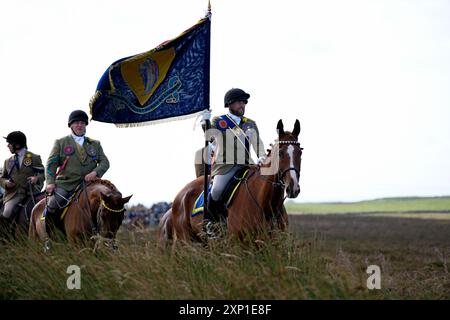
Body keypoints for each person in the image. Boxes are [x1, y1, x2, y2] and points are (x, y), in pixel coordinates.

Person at [204, 88, 266, 238]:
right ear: (230, 104)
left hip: (246, 165)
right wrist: (205, 121)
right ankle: (211, 223)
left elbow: (257, 143)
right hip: (225, 165)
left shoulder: (250, 123)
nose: (242, 105)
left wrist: (262, 156)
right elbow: (211, 137)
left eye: (244, 102)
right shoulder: (219, 121)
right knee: (217, 190)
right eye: (239, 102)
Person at [43, 110, 110, 219]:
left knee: (108, 201)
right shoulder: (60, 142)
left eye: (82, 123)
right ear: (71, 125)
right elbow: (51, 164)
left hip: (89, 183)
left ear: (85, 125)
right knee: (52, 204)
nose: (79, 125)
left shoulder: (95, 144)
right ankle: (51, 233)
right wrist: (50, 182)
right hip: (67, 184)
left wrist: (95, 172)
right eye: (76, 122)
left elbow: (105, 162)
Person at [0, 131, 45, 229]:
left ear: (17, 145)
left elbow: (43, 174)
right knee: (7, 211)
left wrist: (36, 178)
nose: (8, 146)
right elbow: (2, 178)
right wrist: (6, 183)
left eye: (10, 143)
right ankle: (4, 237)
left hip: (31, 192)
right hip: (14, 194)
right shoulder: (7, 161)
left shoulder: (34, 157)